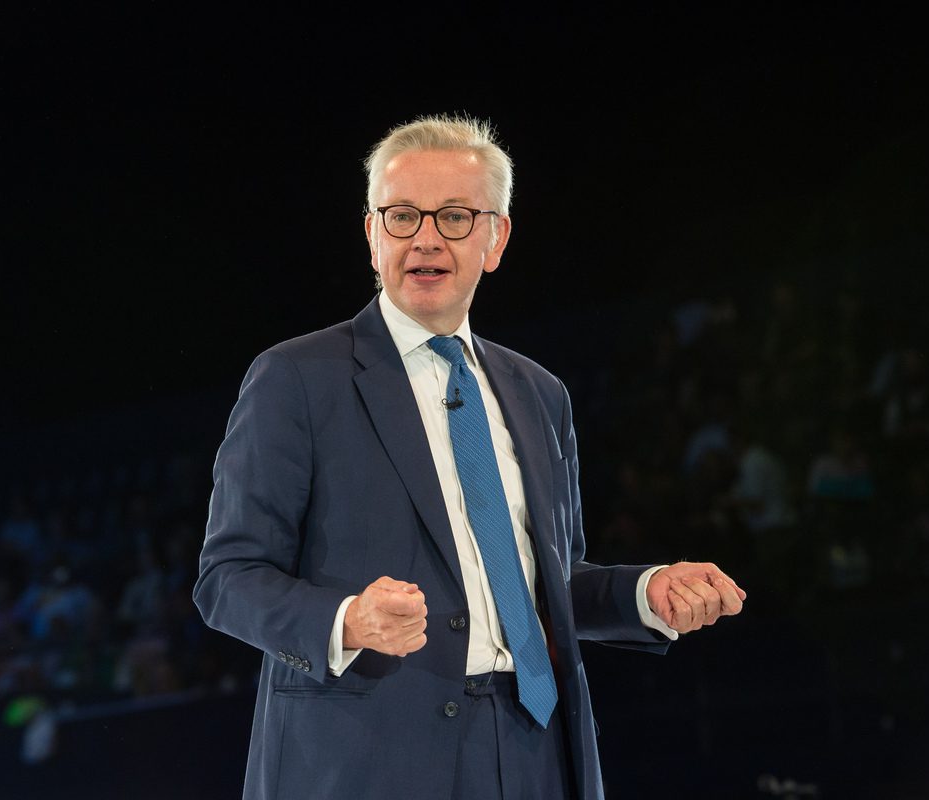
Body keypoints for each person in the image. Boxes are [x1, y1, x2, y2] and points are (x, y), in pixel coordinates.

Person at [193, 113, 746, 800]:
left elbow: (545, 587)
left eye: (454, 216)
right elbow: (228, 577)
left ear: (495, 238)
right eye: (401, 216)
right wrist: (345, 621)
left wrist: (644, 593)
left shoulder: (540, 394)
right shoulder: (297, 379)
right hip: (369, 761)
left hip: (535, 751)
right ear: (372, 235)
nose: (425, 238)